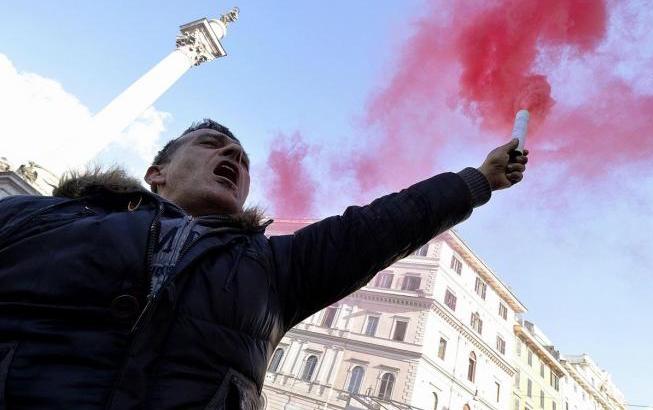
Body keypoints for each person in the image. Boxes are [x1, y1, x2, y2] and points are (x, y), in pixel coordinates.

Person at [0, 119, 528, 409]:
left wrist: (478, 180)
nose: (232, 153)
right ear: (156, 172)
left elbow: (377, 227)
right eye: (212, 144)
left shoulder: (270, 269)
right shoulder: (44, 217)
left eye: (242, 157)